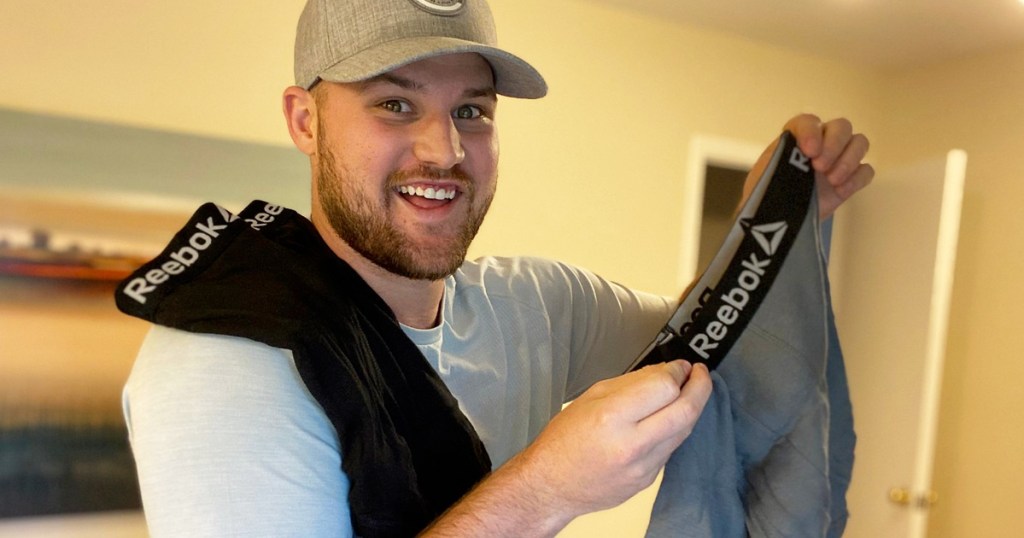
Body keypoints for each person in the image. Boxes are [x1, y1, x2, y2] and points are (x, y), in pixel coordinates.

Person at [118, 0, 873, 536]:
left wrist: (768, 221)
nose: (444, 150)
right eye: (394, 104)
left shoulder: (537, 305)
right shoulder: (225, 364)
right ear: (304, 120)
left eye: (471, 111)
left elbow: (709, 343)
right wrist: (547, 490)